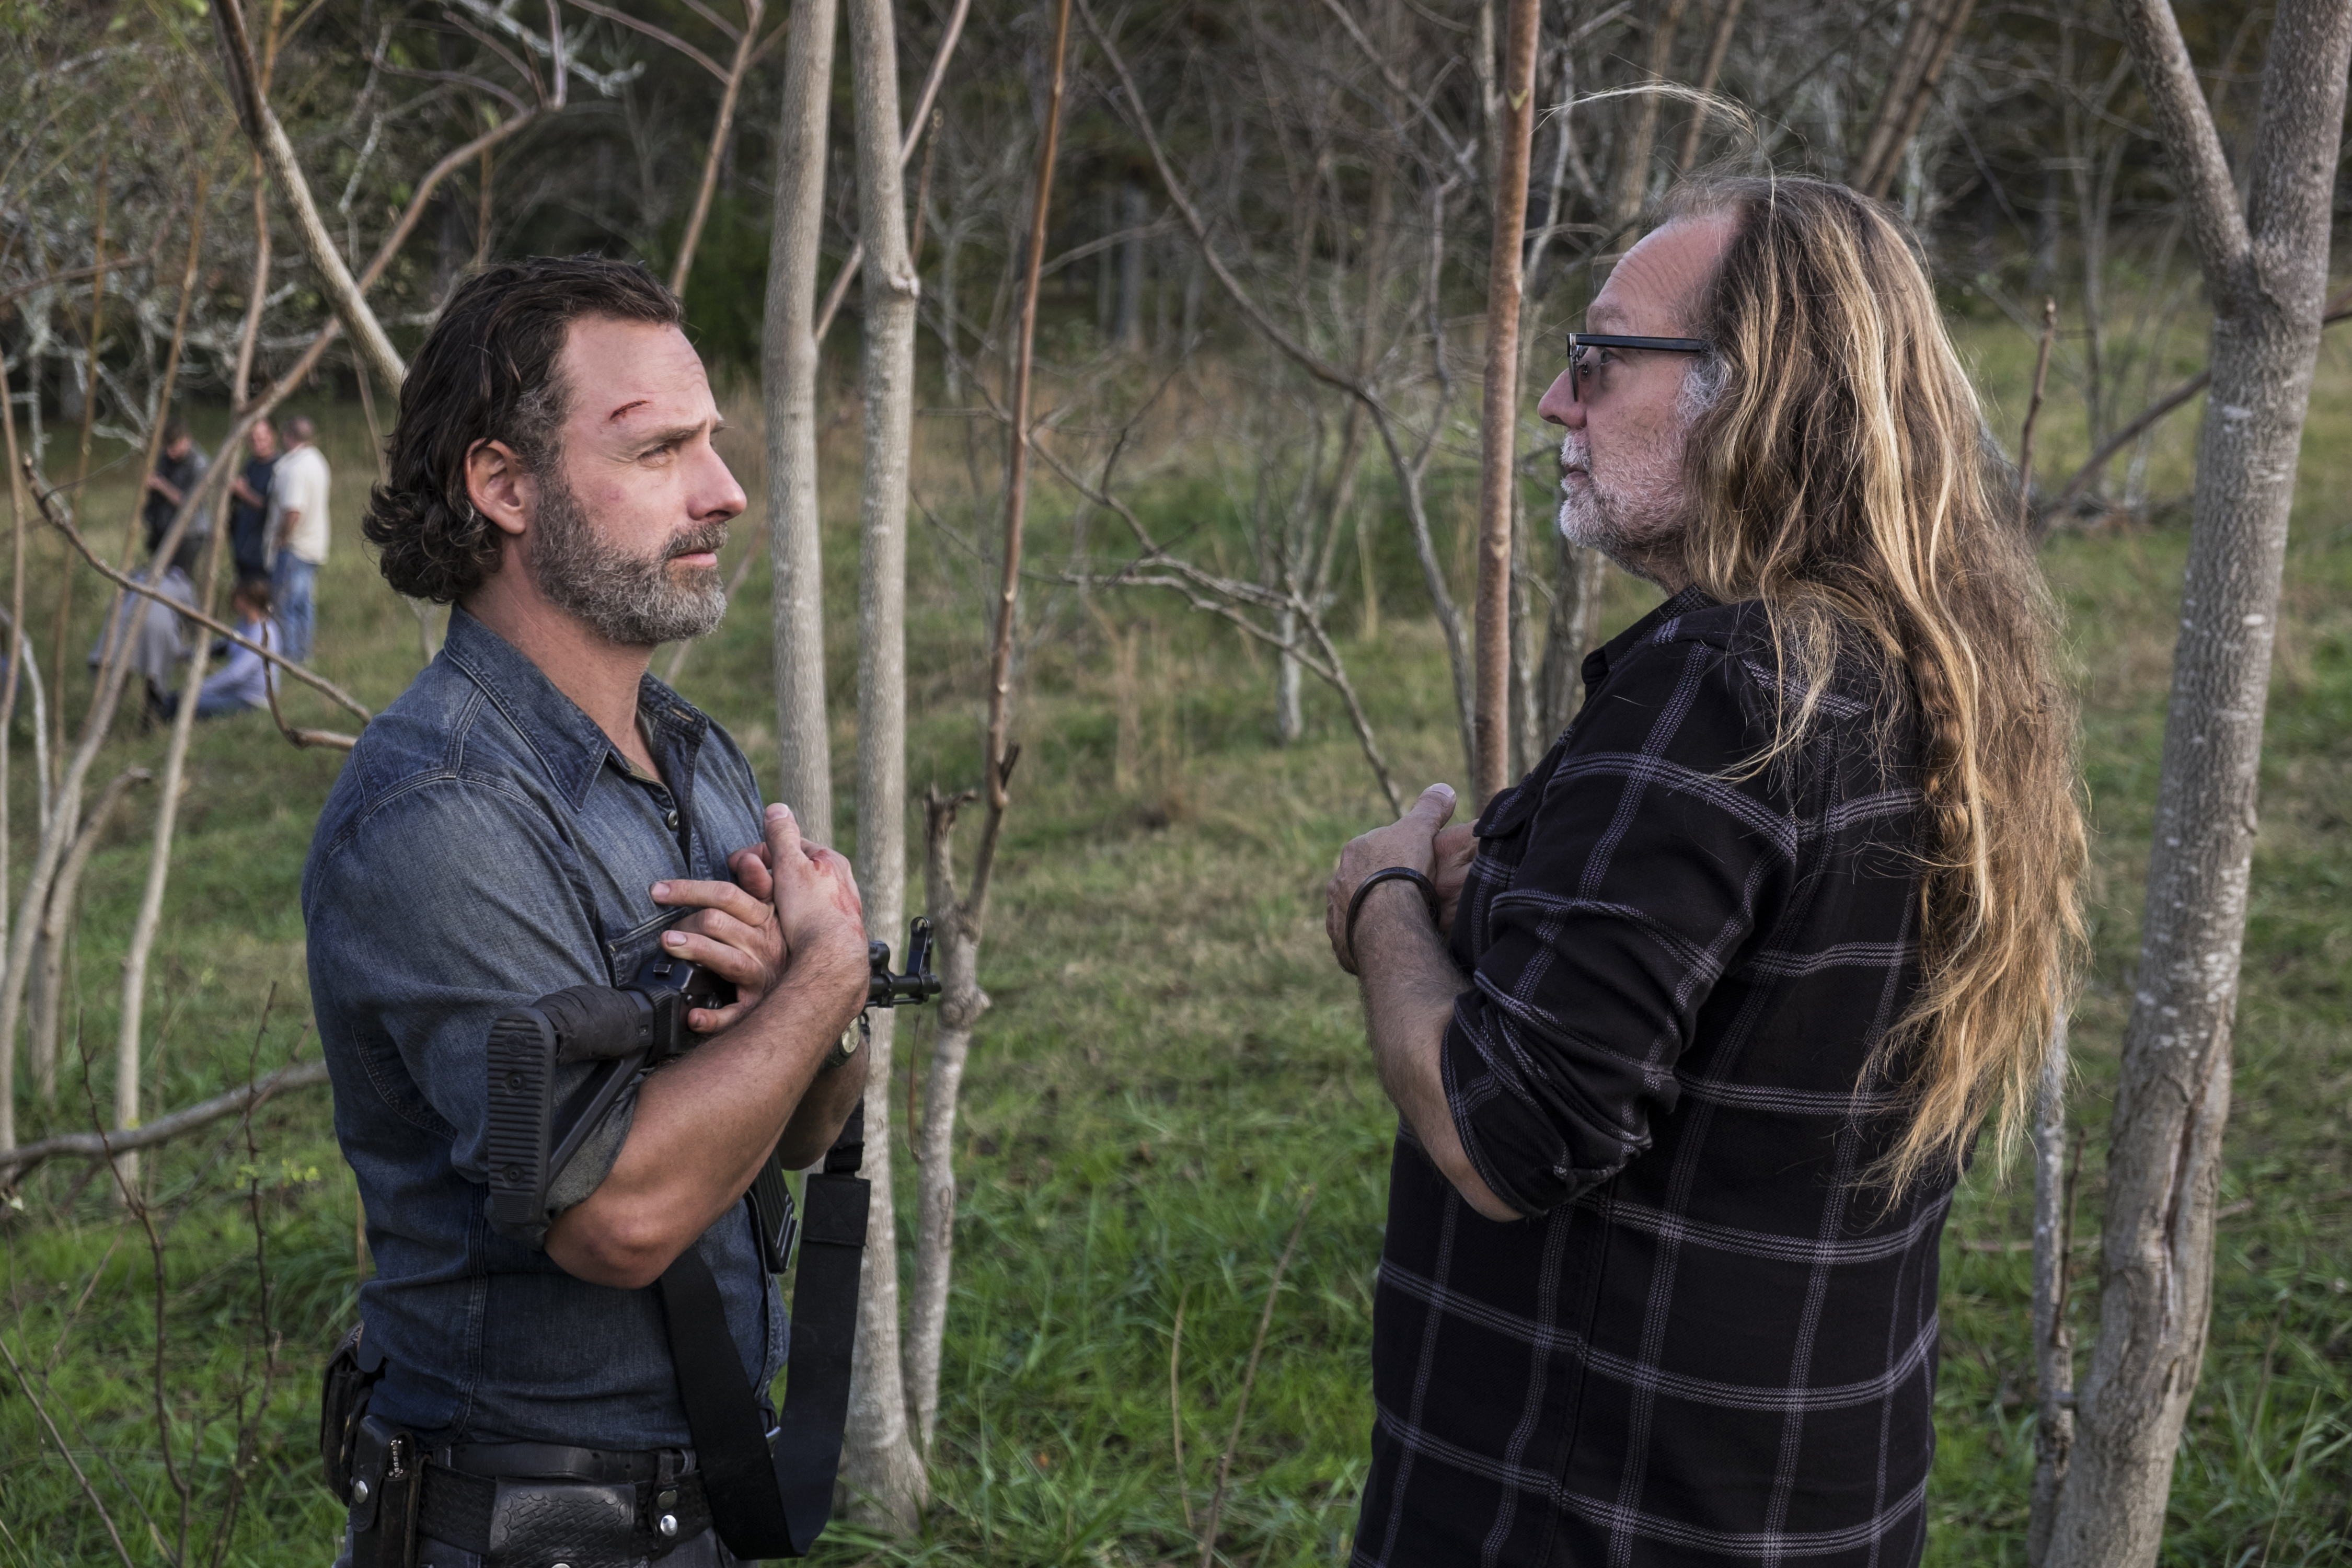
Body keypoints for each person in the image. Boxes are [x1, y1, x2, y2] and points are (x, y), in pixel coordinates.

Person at [1327, 176, 2083, 1566]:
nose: (1557, 402)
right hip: (1805, 1502)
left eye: (1602, 357)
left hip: (1589, 1514)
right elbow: (1732, 998)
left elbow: (1504, 1136)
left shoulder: (1724, 692)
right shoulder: (1925, 681)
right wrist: (1495, 901)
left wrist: (1380, 900)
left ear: (1754, 392)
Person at [308, 256, 871, 1567]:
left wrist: (814, 1018)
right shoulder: (436, 813)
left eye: (711, 442)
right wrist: (817, 983)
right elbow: (615, 1217)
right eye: (658, 449)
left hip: (712, 1506)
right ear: (503, 486)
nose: (722, 490)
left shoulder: (692, 755)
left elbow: (792, 1132)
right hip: (515, 1530)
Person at [157, 578, 280, 721]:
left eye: (238, 597)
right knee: (173, 698)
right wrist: (184, 653)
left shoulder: (261, 633)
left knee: (182, 703)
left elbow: (236, 674)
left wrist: (196, 688)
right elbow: (221, 646)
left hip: (250, 701)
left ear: (248, 601)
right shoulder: (245, 624)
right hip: (234, 693)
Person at [265, 414, 330, 661]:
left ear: (289, 436)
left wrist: (282, 537)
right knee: (304, 605)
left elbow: (293, 510)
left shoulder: (295, 467)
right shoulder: (318, 461)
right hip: (314, 545)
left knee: (286, 605)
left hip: (295, 546)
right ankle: (305, 653)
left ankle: (290, 657)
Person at [142, 420, 211, 576]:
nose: (169, 452)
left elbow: (189, 503)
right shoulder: (165, 457)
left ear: (186, 440)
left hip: (189, 534)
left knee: (180, 579)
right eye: (166, 447)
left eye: (173, 447)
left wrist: (161, 485)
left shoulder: (199, 464)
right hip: (165, 528)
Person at [227, 417, 280, 584]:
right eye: (253, 439)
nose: (257, 443)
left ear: (272, 436)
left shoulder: (279, 468)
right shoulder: (251, 464)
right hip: (243, 544)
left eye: (262, 438)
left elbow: (271, 508)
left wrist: (244, 493)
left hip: (262, 549)